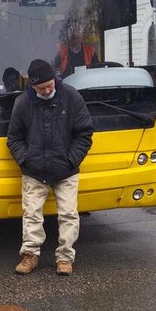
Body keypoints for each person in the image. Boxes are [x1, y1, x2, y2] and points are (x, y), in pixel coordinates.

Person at [7, 59, 93, 276]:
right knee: (31, 214)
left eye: (50, 85)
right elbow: (14, 138)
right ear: (32, 86)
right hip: (34, 171)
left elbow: (84, 133)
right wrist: (26, 161)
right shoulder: (22, 103)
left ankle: (65, 258)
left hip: (66, 170)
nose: (47, 90)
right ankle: (30, 255)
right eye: (41, 88)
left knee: (69, 214)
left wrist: (71, 160)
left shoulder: (71, 97)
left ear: (54, 80)